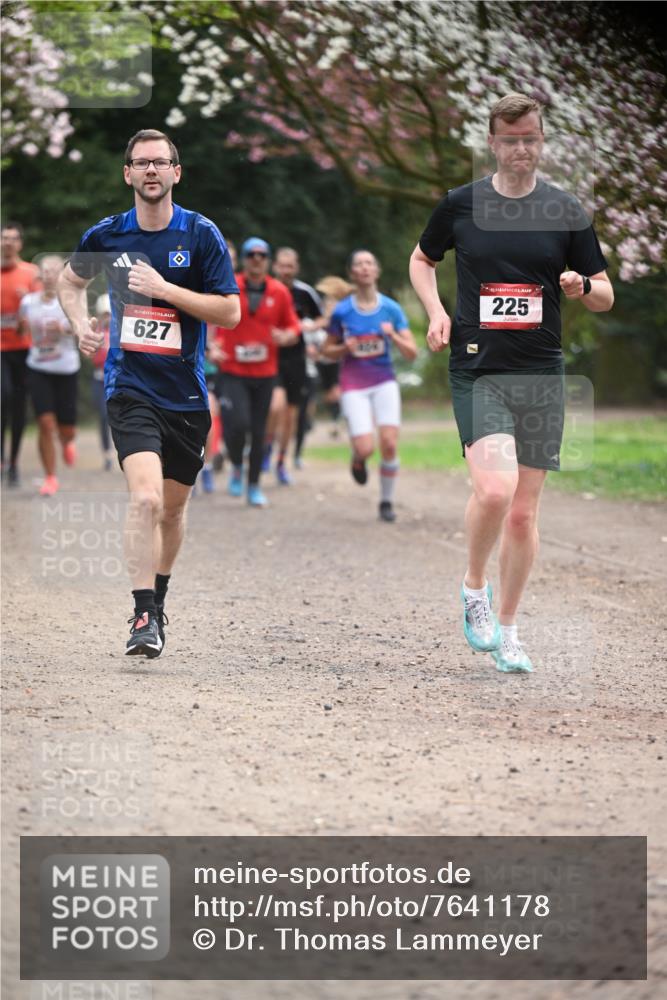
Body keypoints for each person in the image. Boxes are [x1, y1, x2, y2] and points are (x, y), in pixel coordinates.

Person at [409, 92, 613, 673]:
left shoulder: (567, 211)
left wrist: (580, 286)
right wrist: (436, 311)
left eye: (531, 138)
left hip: (541, 370)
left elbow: (605, 294)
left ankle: (511, 629)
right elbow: (422, 260)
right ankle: (475, 587)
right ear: (493, 143)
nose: (521, 148)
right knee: (494, 492)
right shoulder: (461, 205)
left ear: (540, 142)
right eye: (510, 139)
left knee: (523, 514)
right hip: (478, 368)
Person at [58, 128, 240, 658]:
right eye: (142, 163)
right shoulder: (108, 234)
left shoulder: (201, 234)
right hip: (129, 385)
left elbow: (229, 311)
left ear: (176, 173)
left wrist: (165, 291)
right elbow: (70, 283)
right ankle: (142, 614)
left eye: (161, 162)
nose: (152, 171)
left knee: (173, 512)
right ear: (129, 174)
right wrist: (78, 325)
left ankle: (157, 600)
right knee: (145, 498)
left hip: (184, 396)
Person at [321, 250, 417, 522]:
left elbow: (412, 352)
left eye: (369, 263)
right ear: (352, 273)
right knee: (366, 448)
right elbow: (326, 351)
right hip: (353, 384)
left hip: (384, 380)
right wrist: (344, 348)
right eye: (359, 264)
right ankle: (358, 457)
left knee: (388, 444)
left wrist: (394, 336)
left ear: (376, 271)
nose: (364, 268)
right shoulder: (342, 311)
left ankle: (386, 502)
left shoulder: (391, 309)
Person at [213, 237, 300, 507]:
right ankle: (237, 464)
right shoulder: (229, 286)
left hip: (265, 373)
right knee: (237, 424)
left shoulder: (279, 292)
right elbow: (210, 320)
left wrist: (286, 336)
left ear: (268, 261)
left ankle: (253, 485)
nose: (256, 259)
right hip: (233, 370)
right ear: (245, 258)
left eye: (262, 255)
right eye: (251, 254)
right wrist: (211, 348)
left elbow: (294, 327)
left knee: (260, 431)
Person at [19, 255, 79, 495]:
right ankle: (50, 477)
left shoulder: (71, 301)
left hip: (66, 369)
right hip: (38, 367)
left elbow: (80, 330)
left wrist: (64, 329)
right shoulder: (28, 302)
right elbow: (22, 329)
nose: (51, 275)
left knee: (67, 428)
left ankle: (67, 441)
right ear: (40, 275)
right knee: (45, 423)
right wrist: (22, 327)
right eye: (46, 271)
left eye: (56, 271)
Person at [264, 246, 323, 482]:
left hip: (296, 358)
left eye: (291, 266)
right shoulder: (265, 288)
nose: (286, 270)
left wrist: (309, 326)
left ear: (296, 268)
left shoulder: (304, 292)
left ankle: (281, 460)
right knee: (274, 406)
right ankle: (267, 446)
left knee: (290, 414)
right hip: (269, 356)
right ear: (275, 266)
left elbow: (322, 317)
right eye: (282, 265)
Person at [1, 221, 41, 486]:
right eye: (4, 238)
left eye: (13, 238)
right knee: (2, 395)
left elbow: (40, 309)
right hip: (0, 349)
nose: (8, 242)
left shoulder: (30, 272)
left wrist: (27, 300)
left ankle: (13, 462)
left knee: (18, 406)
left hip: (24, 348)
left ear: (20, 244)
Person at [313, 275, 352, 441]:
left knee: (337, 393)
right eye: (327, 304)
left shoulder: (340, 320)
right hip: (323, 364)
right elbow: (313, 335)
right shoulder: (320, 321)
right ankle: (338, 419)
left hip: (338, 362)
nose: (330, 306)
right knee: (330, 395)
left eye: (333, 303)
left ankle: (339, 422)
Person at [91, 293, 113, 471]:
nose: (107, 318)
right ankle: (107, 454)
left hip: (117, 379)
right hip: (99, 379)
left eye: (110, 314)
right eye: (104, 314)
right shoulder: (95, 331)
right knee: (104, 416)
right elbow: (90, 355)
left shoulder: (121, 330)